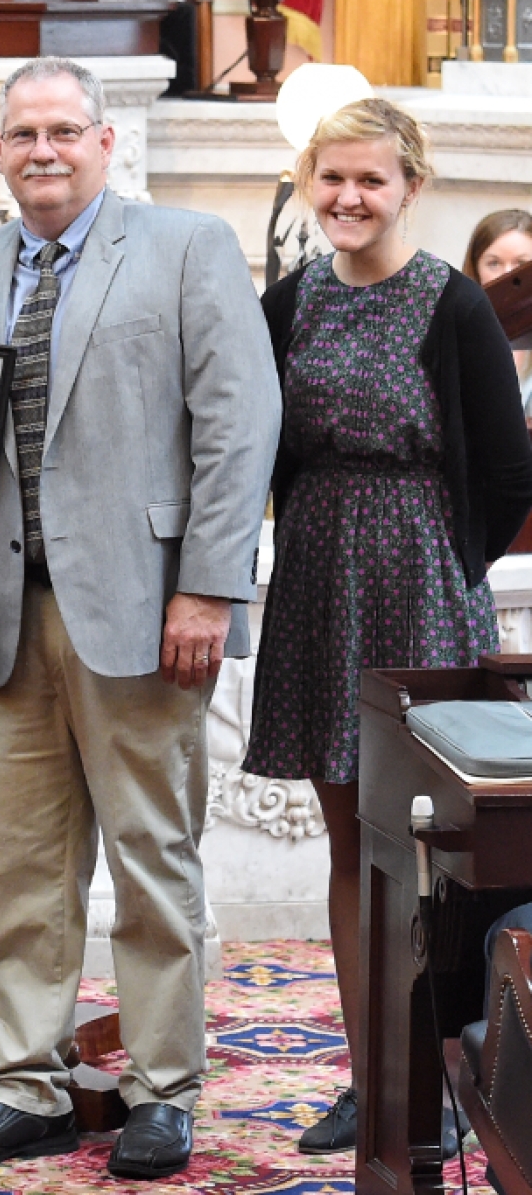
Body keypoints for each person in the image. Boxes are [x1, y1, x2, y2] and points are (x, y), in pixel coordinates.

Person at [0, 57, 280, 1181]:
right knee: (21, 869)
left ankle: (161, 1088)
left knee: (151, 861)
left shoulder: (185, 247)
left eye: (64, 130)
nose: (42, 151)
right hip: (9, 619)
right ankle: (22, 1079)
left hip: (147, 612)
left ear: (106, 142)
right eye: (22, 134)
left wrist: (207, 585)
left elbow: (236, 421)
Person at [243, 99, 532, 1155]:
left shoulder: (450, 305)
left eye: (369, 180)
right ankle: (370, 1079)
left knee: (434, 849)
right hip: (317, 571)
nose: (348, 199)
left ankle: (450, 1073)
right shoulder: (291, 300)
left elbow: (505, 471)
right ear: (308, 185)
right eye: (330, 180)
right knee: (346, 844)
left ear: (409, 182)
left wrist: (449, 563)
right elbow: (253, 442)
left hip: (416, 573)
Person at [463, 208, 532, 415]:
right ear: (476, 268)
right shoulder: (456, 332)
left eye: (521, 264)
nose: (508, 274)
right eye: (494, 263)